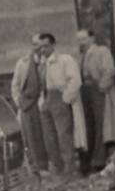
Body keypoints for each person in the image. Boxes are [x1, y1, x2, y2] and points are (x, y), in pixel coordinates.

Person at [33, 33, 85, 176]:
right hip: (46, 100)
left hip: (60, 98)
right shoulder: (41, 65)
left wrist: (65, 98)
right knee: (49, 136)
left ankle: (69, 168)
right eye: (41, 47)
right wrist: (42, 101)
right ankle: (58, 167)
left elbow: (75, 81)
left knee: (63, 135)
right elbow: (41, 85)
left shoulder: (65, 60)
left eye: (46, 46)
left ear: (53, 45)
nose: (43, 50)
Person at [77, 29, 115, 172]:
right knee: (88, 125)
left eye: (83, 39)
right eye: (78, 40)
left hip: (98, 91)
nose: (81, 43)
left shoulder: (102, 51)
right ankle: (89, 159)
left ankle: (100, 159)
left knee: (101, 124)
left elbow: (109, 70)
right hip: (85, 92)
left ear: (92, 38)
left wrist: (102, 88)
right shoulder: (81, 56)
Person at [11, 35, 51, 174]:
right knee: (32, 136)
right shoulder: (23, 63)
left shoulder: (50, 60)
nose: (38, 48)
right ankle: (37, 167)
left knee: (47, 134)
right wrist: (19, 102)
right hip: (28, 105)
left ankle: (51, 164)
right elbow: (15, 85)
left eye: (41, 45)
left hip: (45, 102)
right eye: (35, 44)